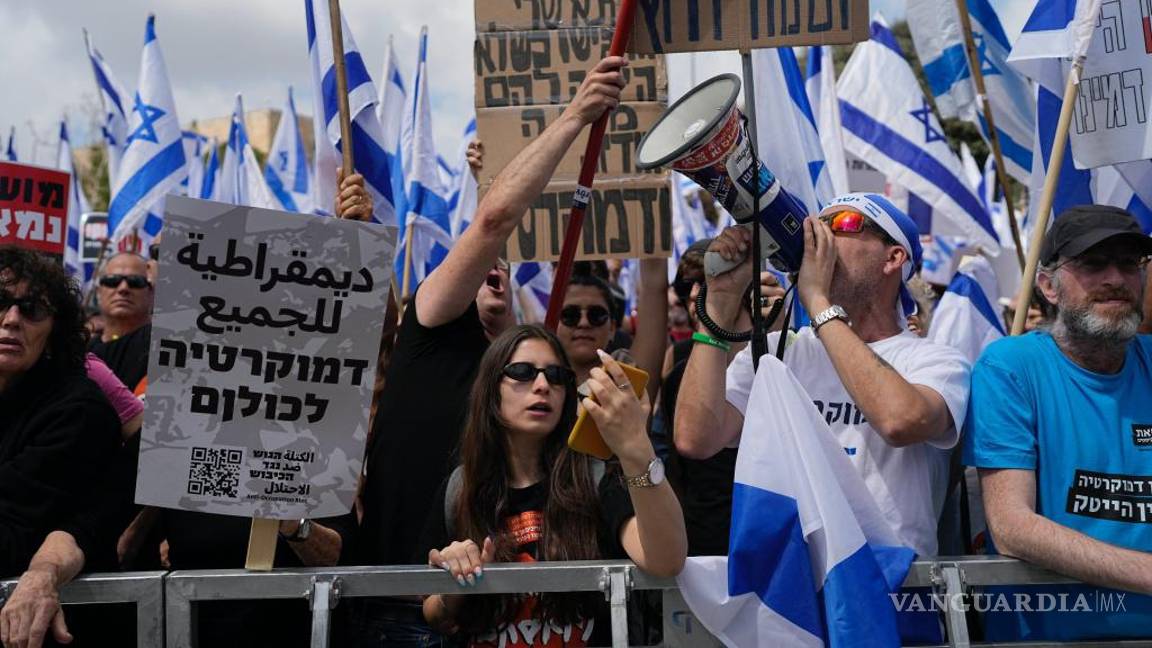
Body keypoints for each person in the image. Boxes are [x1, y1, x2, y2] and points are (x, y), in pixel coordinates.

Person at [352, 56, 630, 645]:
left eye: (541, 372)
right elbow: (495, 218)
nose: (493, 271)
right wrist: (578, 113)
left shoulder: (523, 381)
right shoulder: (428, 331)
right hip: (399, 613)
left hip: (492, 620)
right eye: (480, 268)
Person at [674, 193, 971, 557]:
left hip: (888, 588)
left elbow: (900, 421)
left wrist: (816, 299)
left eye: (843, 223)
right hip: (791, 589)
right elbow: (696, 439)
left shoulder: (936, 361)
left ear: (894, 258)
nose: (820, 235)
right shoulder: (777, 351)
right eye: (817, 223)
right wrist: (718, 305)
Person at [419, 325, 686, 646]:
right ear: (491, 389)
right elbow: (433, 612)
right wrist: (457, 579)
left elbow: (666, 560)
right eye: (522, 372)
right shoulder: (460, 488)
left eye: (557, 376)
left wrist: (636, 448)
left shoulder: (596, 477)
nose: (543, 385)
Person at [964, 205, 1152, 641]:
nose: (1115, 279)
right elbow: (1013, 528)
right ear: (1047, 285)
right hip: (1051, 636)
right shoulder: (1010, 366)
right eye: (1093, 263)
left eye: (1129, 263)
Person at [0, 246, 121, 646]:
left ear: (54, 329)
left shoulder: (77, 408)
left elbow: (14, 530)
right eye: (1, 303)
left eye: (32, 309)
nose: (12, 319)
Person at [88, 252, 154, 394]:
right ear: (99, 292)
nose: (123, 288)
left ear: (151, 292)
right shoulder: (80, 353)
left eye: (135, 282)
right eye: (112, 281)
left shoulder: (161, 348)